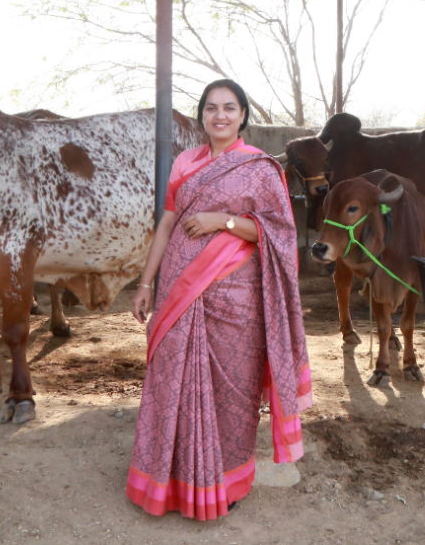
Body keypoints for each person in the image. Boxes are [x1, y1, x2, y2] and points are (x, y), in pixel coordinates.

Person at [126, 79, 312, 521]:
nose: (220, 116)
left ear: (243, 115)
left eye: (230, 108)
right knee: (172, 383)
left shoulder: (261, 169)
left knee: (232, 390)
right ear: (202, 116)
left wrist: (223, 221)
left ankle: (225, 482)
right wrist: (146, 282)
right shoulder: (185, 163)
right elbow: (167, 225)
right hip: (177, 291)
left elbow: (278, 234)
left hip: (236, 299)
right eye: (211, 108)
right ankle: (171, 483)